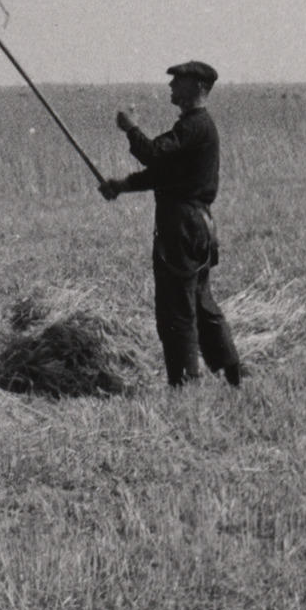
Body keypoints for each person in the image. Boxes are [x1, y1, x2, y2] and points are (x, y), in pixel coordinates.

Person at [99, 61, 244, 387]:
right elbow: (163, 173)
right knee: (200, 302)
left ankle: (184, 384)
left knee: (175, 306)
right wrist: (121, 185)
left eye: (178, 81)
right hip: (197, 225)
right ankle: (230, 371)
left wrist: (131, 129)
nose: (171, 86)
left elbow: (154, 155)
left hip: (182, 226)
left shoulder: (194, 126)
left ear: (198, 87)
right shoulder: (196, 127)